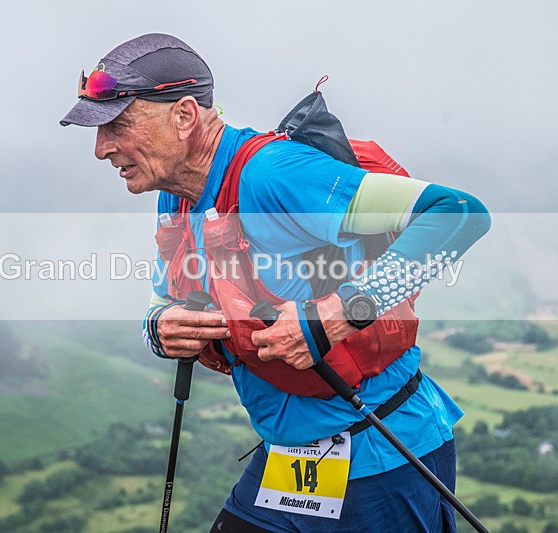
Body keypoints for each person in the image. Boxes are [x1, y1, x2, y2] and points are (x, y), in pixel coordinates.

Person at [61, 33, 491, 533]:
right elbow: (164, 299)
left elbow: (459, 213)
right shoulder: (176, 193)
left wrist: (339, 312)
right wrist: (159, 328)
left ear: (183, 115)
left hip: (384, 454)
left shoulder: (274, 174)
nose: (100, 149)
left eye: (117, 125)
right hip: (290, 464)